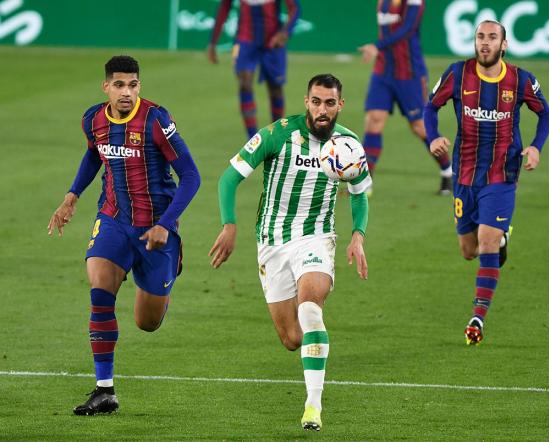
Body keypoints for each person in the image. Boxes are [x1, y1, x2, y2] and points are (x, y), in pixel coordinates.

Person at [209, 74, 370, 431]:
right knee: (292, 339)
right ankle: (314, 349)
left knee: (311, 306)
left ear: (340, 105)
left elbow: (359, 192)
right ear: (306, 101)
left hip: (317, 238)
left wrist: (357, 235)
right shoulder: (278, 134)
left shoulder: (348, 145)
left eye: (330, 103)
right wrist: (229, 224)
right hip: (272, 242)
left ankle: (313, 404)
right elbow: (229, 177)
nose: (322, 109)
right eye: (316, 101)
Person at [47, 55, 201, 415]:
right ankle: (105, 390)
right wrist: (72, 196)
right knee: (99, 291)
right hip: (113, 219)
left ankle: (163, 280)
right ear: (106, 87)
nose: (126, 92)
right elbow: (93, 155)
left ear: (139, 86)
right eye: (119, 85)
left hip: (155, 230)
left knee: (146, 323)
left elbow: (191, 175)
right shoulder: (93, 120)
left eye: (133, 85)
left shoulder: (156, 120)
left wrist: (166, 224)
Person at [423, 21, 549, 345]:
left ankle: (477, 317)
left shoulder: (521, 80)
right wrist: (433, 136)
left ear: (503, 45)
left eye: (492, 38)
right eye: (480, 37)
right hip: (465, 175)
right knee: (469, 250)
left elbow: (546, 114)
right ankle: (501, 242)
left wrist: (535, 147)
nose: (484, 43)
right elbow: (430, 106)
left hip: (502, 174)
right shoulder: (458, 73)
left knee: (487, 240)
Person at [358, 0, 452, 195]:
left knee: (419, 127)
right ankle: (365, 182)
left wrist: (377, 46)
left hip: (409, 74)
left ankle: (447, 171)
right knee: (374, 120)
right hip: (383, 71)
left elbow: (407, 29)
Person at [208, 0, 301, 139]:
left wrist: (285, 32)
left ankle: (277, 136)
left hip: (272, 41)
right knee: (244, 83)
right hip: (244, 40)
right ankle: (253, 140)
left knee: (275, 89)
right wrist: (213, 42)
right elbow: (224, 7)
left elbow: (294, 8)